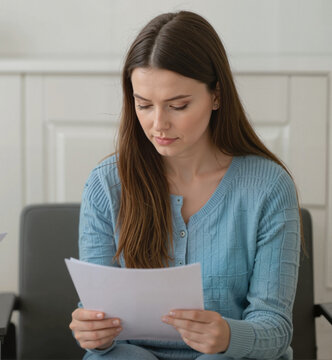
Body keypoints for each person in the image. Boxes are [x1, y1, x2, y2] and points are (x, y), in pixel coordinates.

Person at [69, 11, 300, 360]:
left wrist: (227, 336)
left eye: (178, 105)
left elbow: (275, 329)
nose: (158, 124)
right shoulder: (106, 184)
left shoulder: (268, 187)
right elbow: (97, 316)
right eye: (143, 105)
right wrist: (92, 331)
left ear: (216, 96)